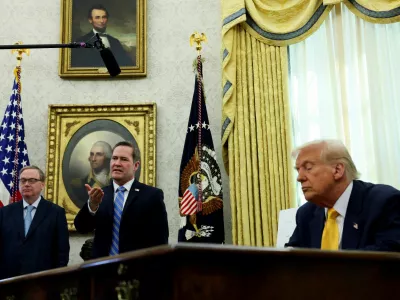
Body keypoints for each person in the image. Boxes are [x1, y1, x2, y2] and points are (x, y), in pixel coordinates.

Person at [286, 139, 400, 251]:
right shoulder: (306, 213)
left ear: (337, 170)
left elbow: (388, 257)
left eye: (308, 168)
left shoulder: (384, 202)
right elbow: (291, 259)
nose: (299, 178)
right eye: (298, 170)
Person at [74, 141, 169, 259]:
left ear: (136, 165)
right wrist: (92, 206)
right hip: (102, 272)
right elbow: (82, 228)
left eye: (124, 159)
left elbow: (160, 243)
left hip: (137, 272)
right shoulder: (100, 194)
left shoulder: (152, 196)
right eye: (114, 158)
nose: (117, 163)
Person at [0, 166, 70, 279]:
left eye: (32, 180)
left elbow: (62, 252)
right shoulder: (5, 212)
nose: (26, 184)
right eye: (23, 180)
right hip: (8, 282)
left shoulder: (56, 213)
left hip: (42, 282)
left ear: (42, 184)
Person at [71, 4, 135, 68]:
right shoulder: (81, 41)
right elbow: (77, 66)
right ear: (90, 20)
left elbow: (128, 65)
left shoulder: (115, 42)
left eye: (104, 17)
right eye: (97, 17)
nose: (101, 21)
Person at [70, 141, 112, 208]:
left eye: (98, 154)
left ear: (107, 158)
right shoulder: (78, 185)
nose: (93, 159)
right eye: (92, 154)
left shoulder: (116, 181)